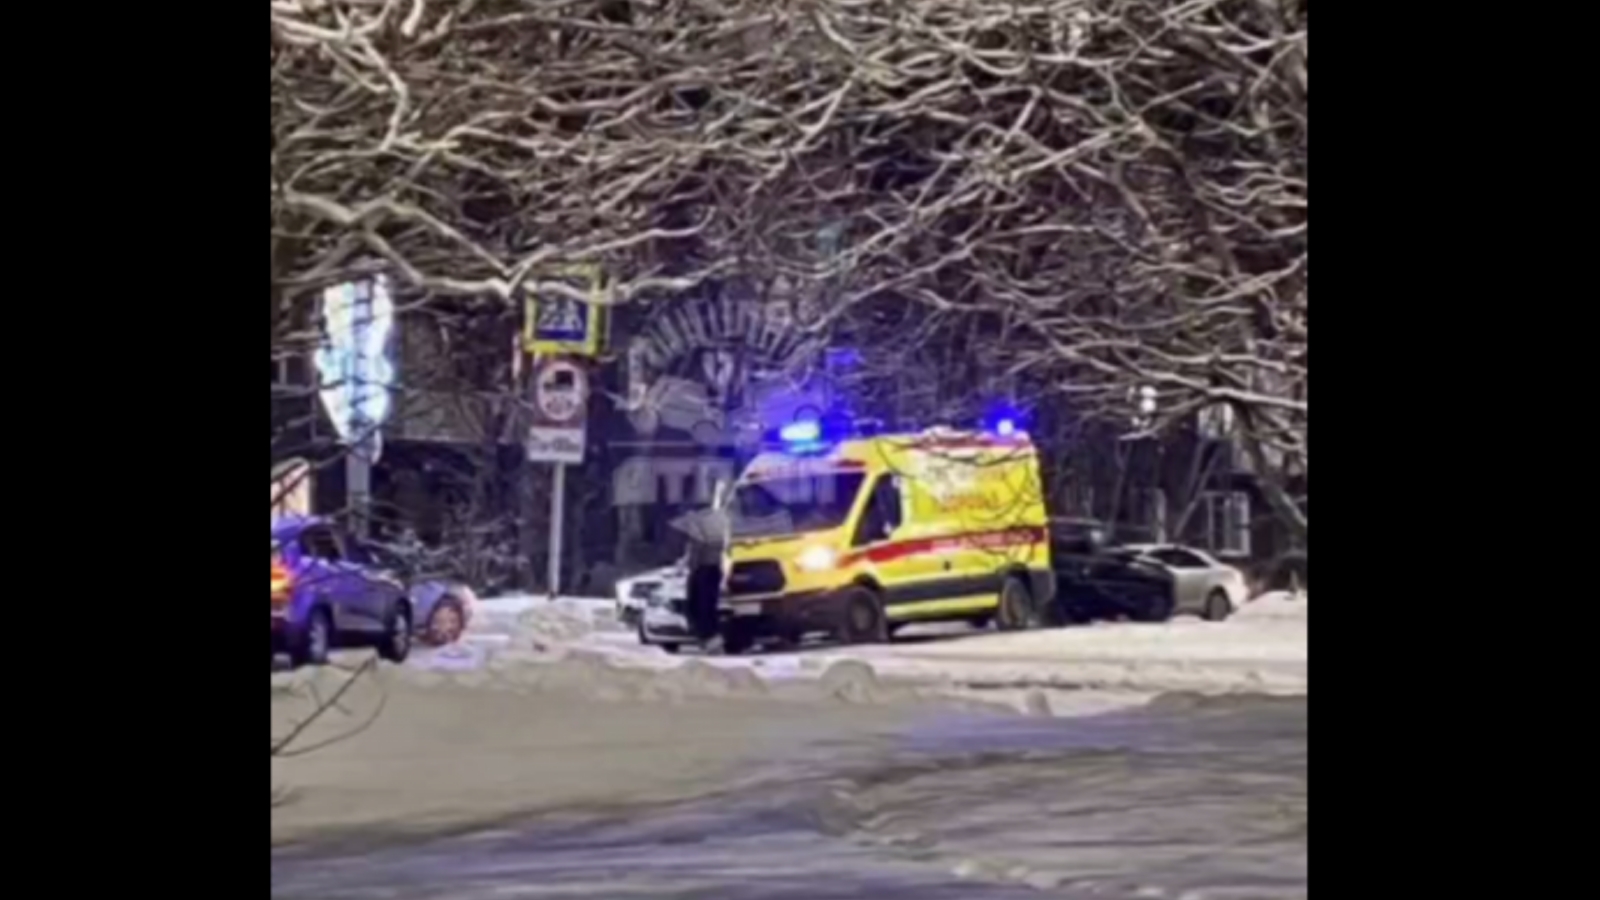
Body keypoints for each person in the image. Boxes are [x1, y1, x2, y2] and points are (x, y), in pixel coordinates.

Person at [683, 536, 724, 647]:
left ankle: (707, 635)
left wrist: (691, 566)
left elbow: (696, 550)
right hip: (713, 567)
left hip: (703, 569)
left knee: (700, 604)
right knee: (708, 604)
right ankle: (710, 635)